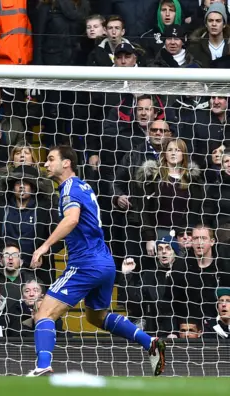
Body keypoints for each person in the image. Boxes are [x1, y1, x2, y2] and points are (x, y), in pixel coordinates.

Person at [26, 145, 166, 377]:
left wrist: (44, 246)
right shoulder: (84, 185)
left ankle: (42, 365)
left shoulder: (69, 188)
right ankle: (149, 342)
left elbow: (72, 219)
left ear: (67, 163)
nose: (46, 164)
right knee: (96, 317)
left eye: (51, 159)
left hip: (85, 264)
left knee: (44, 313)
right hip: (105, 262)